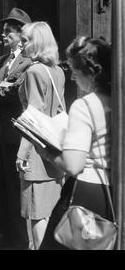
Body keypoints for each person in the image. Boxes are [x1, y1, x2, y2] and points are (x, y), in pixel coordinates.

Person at [37, 37, 113, 250]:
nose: (71, 77)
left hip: (88, 193)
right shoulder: (118, 99)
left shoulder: (85, 105)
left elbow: (73, 164)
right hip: (114, 189)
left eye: (75, 71)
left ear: (90, 73)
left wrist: (45, 152)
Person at [16, 21, 65, 250]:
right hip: (54, 149)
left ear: (36, 43)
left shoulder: (34, 71)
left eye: (26, 40)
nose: (22, 44)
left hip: (36, 151)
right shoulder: (57, 71)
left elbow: (32, 116)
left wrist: (21, 153)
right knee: (52, 213)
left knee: (36, 216)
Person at [0, 7, 31, 249]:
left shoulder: (29, 62)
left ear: (21, 35)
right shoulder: (1, 61)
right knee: (1, 184)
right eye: (3, 31)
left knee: (16, 186)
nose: (3, 35)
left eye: (8, 32)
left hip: (16, 132)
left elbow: (15, 91)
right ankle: (4, 232)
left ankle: (19, 237)